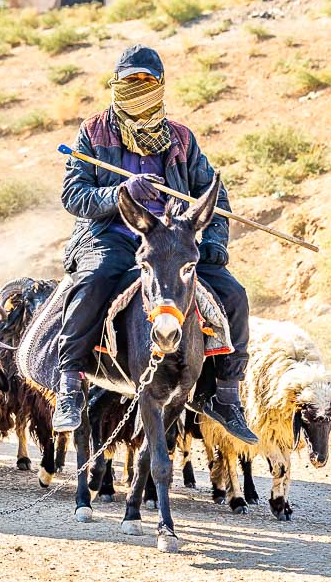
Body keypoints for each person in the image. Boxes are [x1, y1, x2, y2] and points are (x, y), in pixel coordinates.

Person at [54, 43, 258, 445]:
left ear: (161, 85)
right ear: (116, 84)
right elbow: (73, 196)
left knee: (233, 294)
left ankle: (225, 395)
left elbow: (213, 198)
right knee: (93, 282)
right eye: (130, 81)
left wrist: (214, 241)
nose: (138, 87)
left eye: (146, 81)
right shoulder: (93, 133)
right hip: (109, 236)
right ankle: (69, 384)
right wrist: (120, 192)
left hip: (171, 241)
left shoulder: (181, 138)